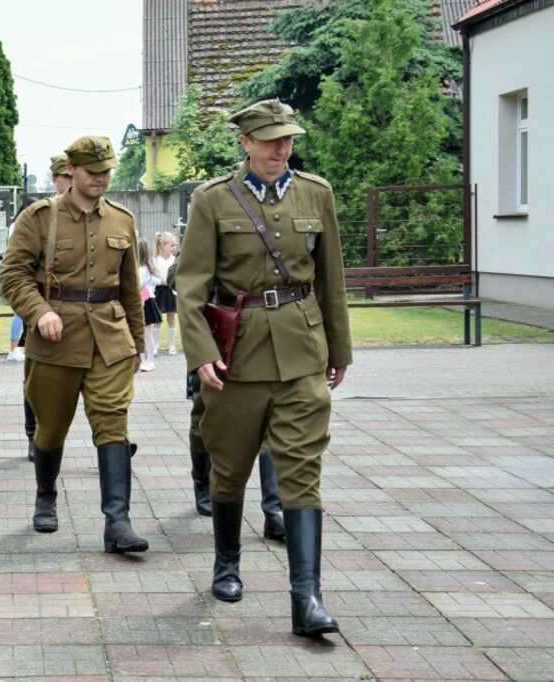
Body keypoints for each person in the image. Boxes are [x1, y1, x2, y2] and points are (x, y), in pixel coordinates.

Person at [176, 99, 352, 636]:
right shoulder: (212, 200)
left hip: (302, 351)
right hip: (237, 358)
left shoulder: (315, 194)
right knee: (229, 468)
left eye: (288, 139)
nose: (282, 148)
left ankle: (307, 600)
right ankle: (227, 564)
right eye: (270, 139)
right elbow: (190, 286)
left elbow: (331, 279)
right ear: (246, 143)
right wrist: (202, 352)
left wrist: (339, 350)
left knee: (302, 471)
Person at [0, 136, 148, 553]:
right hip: (56, 339)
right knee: (50, 428)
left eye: (106, 172)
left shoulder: (122, 219)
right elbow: (13, 275)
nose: (101, 179)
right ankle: (46, 495)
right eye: (92, 172)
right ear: (73, 171)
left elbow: (131, 289)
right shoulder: (40, 218)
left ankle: (117, 522)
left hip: (110, 338)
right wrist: (39, 311)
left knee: (112, 422)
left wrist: (137, 341)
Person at [168, 213, 287, 535]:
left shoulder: (279, 225)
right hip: (217, 338)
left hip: (267, 340)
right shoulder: (212, 219)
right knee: (204, 420)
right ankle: (202, 484)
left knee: (271, 423)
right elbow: (176, 276)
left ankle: (274, 511)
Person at [137, 239, 161, 372]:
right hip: (140, 303)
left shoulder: (143, 269)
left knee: (147, 333)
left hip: (145, 303)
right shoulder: (141, 268)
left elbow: (137, 285)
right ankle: (142, 360)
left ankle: (150, 361)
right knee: (140, 334)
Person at [153, 231, 178, 355]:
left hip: (171, 292)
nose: (174, 248)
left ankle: (172, 346)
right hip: (159, 292)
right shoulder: (155, 260)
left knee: (171, 318)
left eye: (174, 245)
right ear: (162, 246)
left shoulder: (175, 260)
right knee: (157, 319)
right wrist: (161, 281)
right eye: (171, 245)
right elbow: (152, 278)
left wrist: (172, 282)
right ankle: (155, 346)